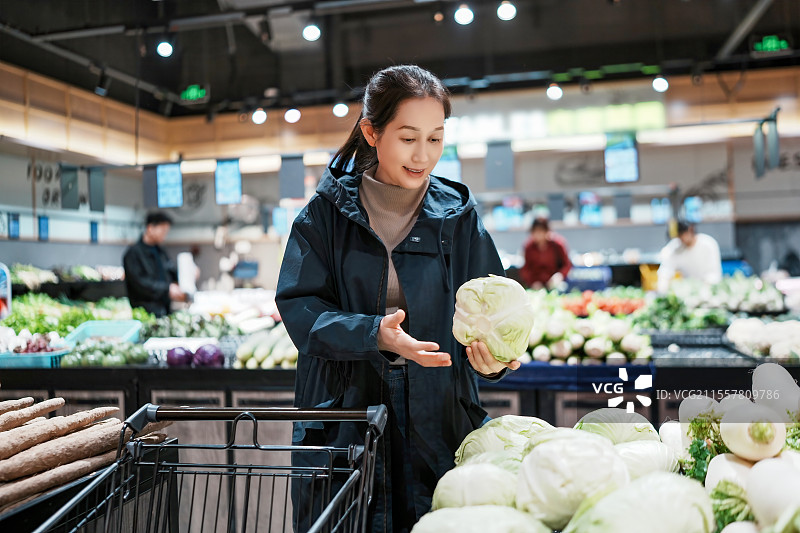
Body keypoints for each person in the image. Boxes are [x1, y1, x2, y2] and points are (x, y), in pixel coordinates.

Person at [275, 64, 519, 533]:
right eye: (408, 137)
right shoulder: (324, 215)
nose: (423, 155)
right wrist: (373, 334)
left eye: (435, 138)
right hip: (346, 418)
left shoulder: (458, 217)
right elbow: (300, 308)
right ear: (372, 132)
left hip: (440, 419)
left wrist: (493, 360)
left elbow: (490, 305)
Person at [122, 211, 185, 316]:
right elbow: (141, 283)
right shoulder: (133, 254)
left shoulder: (160, 251)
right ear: (150, 228)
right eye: (163, 231)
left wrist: (186, 274)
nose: (165, 235)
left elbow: (171, 271)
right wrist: (167, 289)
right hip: (145, 313)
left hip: (164, 309)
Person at [656, 221, 722, 293]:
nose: (680, 239)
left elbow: (714, 275)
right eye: (678, 236)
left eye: (682, 235)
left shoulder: (708, 244)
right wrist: (663, 289)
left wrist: (705, 290)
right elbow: (665, 272)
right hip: (688, 292)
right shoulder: (675, 248)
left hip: (709, 290)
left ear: (691, 229)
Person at [519, 216, 572, 290]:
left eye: (540, 231)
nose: (537, 235)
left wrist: (559, 275)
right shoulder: (529, 247)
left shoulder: (557, 244)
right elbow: (525, 269)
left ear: (546, 231)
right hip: (536, 287)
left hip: (555, 285)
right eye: (535, 232)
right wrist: (532, 282)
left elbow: (567, 265)